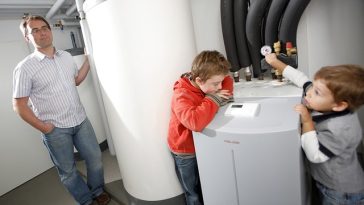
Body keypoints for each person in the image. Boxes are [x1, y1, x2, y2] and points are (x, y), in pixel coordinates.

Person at [12, 15, 110, 205]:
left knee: (95, 159)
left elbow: (75, 81)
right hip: (55, 129)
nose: (42, 33)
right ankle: (86, 201)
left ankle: (97, 191)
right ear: (27, 38)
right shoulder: (24, 68)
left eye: (44, 28)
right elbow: (19, 105)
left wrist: (89, 61)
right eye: (35, 30)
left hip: (80, 120)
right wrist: (44, 127)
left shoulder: (65, 56)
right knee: (68, 171)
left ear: (50, 30)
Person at [265, 53, 364, 205]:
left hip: (340, 191)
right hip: (326, 180)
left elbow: (315, 155)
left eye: (317, 92)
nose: (309, 93)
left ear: (339, 105)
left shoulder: (340, 129)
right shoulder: (326, 101)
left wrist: (306, 121)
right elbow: (303, 80)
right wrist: (275, 62)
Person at [167, 50, 234, 205]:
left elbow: (228, 80)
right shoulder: (181, 95)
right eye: (216, 84)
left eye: (220, 82)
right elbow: (195, 122)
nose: (220, 87)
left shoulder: (209, 81)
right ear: (199, 80)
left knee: (205, 184)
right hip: (185, 151)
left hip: (202, 145)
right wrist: (214, 99)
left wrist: (214, 94)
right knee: (193, 192)